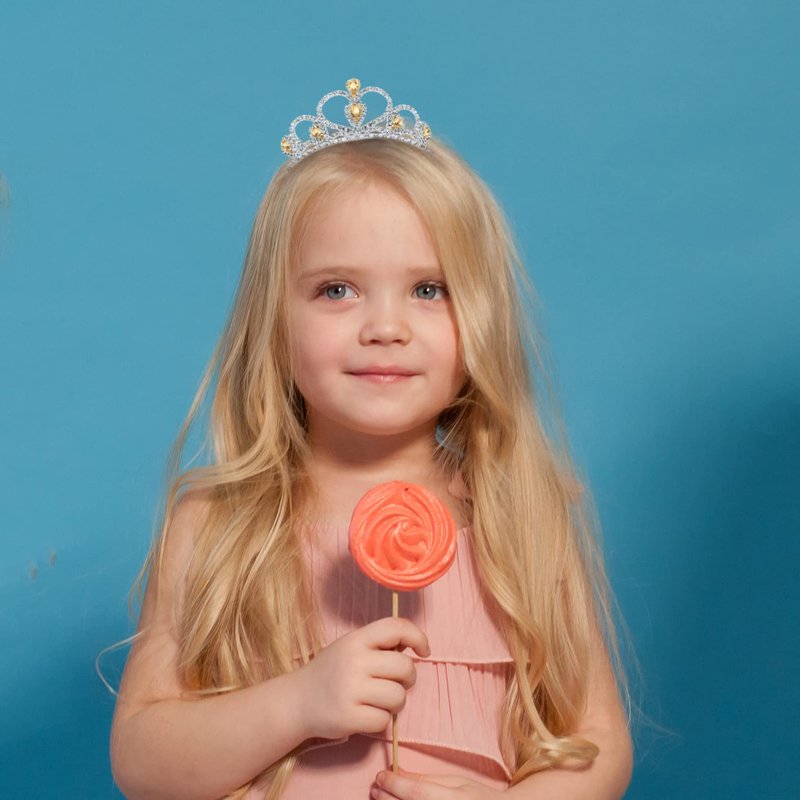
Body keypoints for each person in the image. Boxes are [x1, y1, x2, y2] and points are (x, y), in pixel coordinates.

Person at [108, 78, 634, 800]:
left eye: (429, 290)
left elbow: (599, 747)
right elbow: (142, 761)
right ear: (273, 322)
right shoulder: (216, 524)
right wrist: (297, 703)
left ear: (480, 317)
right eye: (337, 290)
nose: (385, 327)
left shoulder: (520, 516)